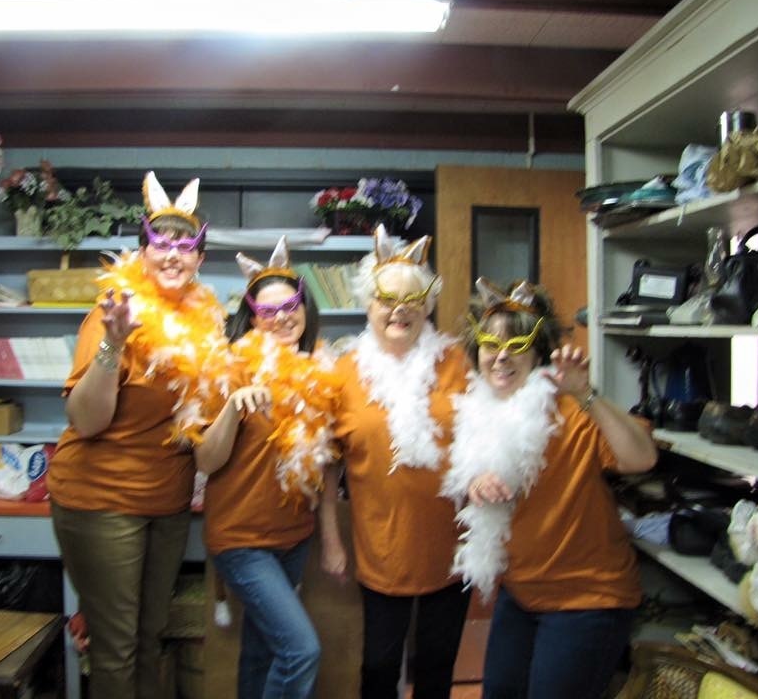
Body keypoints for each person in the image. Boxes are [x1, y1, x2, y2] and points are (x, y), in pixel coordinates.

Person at [47, 171, 228, 699]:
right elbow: (87, 421)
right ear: (142, 251)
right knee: (118, 647)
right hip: (101, 499)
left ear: (201, 257)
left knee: (150, 638)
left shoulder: (206, 326)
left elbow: (201, 420)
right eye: (160, 242)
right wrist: (112, 345)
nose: (172, 254)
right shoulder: (112, 316)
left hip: (166, 504)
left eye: (186, 244)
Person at [442, 277, 657, 699]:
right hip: (521, 593)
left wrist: (585, 394)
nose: (502, 357)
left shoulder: (571, 413)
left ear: (538, 353)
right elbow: (477, 485)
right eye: (491, 345)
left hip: (587, 599)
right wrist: (474, 480)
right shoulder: (477, 416)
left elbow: (641, 459)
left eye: (517, 346)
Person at [321, 224, 472, 699]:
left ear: (428, 305)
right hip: (381, 548)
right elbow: (326, 467)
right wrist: (331, 539)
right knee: (379, 667)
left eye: (412, 298)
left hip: (452, 546)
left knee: (436, 666)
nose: (400, 309)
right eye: (386, 298)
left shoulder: (456, 362)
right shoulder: (343, 372)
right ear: (368, 304)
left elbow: (488, 437)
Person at [195, 236, 341, 698]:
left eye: (290, 305)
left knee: (262, 652)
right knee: (301, 650)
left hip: (293, 538)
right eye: (267, 311)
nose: (281, 317)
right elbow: (204, 459)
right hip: (241, 540)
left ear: (304, 304)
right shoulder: (232, 367)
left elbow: (325, 467)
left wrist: (331, 538)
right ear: (252, 316)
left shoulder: (321, 370)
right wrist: (232, 408)